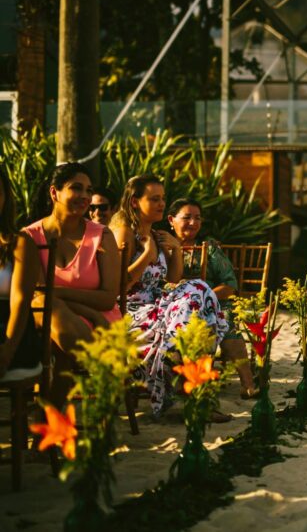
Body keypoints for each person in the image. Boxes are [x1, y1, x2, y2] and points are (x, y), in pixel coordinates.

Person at [111, 174, 227, 418]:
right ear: (135, 202)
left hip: (158, 304)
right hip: (130, 310)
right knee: (194, 305)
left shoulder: (157, 235)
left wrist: (175, 248)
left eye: (163, 198)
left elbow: (173, 279)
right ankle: (194, 389)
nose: (162, 204)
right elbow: (118, 284)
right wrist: (147, 255)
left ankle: (186, 375)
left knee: (198, 291)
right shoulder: (124, 233)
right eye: (154, 199)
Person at [23, 164, 123, 408]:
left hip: (101, 319)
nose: (85, 196)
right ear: (54, 192)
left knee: (58, 344)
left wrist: (58, 293)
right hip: (50, 317)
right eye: (76, 188)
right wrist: (86, 310)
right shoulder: (30, 236)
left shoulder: (102, 236)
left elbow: (108, 299)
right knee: (47, 309)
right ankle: (98, 364)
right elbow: (37, 295)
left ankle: (46, 418)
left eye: (88, 190)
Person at [168, 198, 256, 399]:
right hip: (175, 306)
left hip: (214, 302)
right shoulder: (162, 247)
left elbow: (230, 285)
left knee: (225, 320)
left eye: (197, 218)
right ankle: (185, 382)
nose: (193, 223)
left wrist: (204, 298)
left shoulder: (209, 248)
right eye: (187, 217)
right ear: (171, 220)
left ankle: (248, 383)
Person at [0, 165, 43, 382]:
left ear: (5, 198)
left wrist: (7, 352)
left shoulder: (19, 243)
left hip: (12, 332)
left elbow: (20, 301)